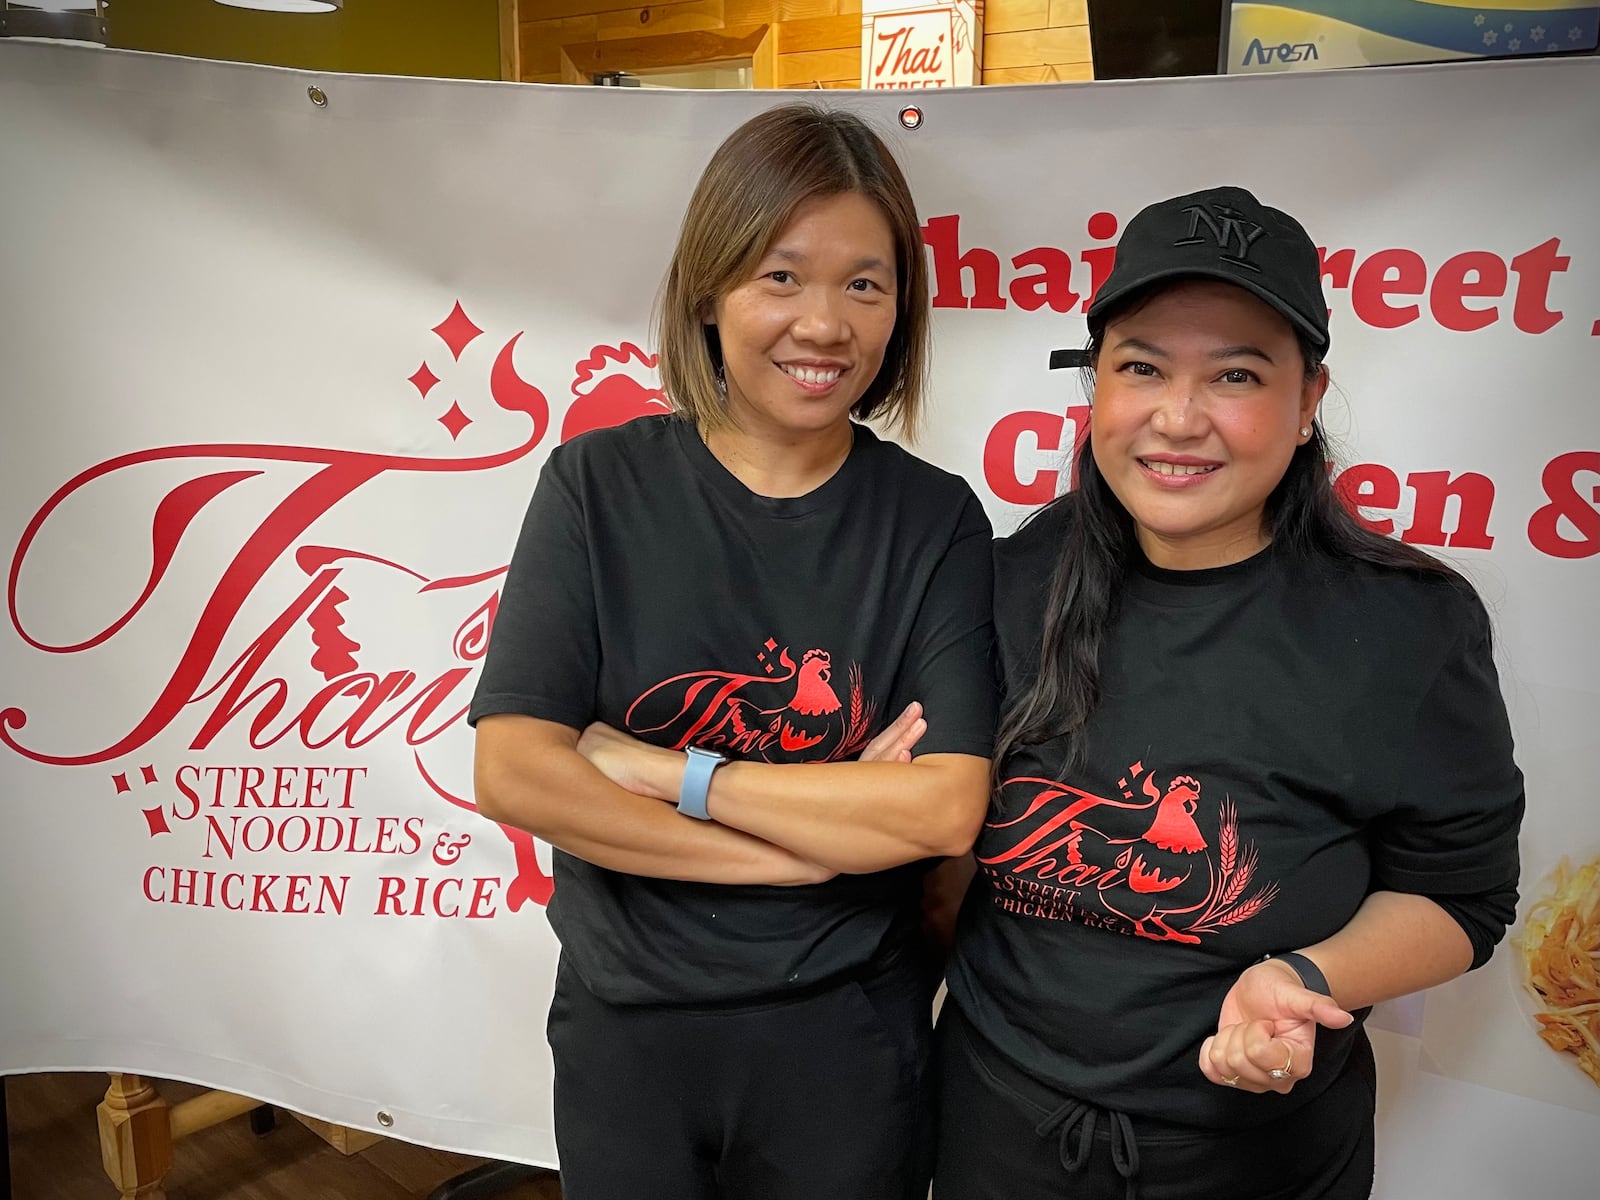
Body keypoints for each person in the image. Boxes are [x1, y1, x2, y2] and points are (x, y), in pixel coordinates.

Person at [935, 186, 1524, 1200]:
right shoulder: (1003, 578)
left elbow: (1460, 896)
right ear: (1094, 390)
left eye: (1236, 374)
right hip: (995, 1132)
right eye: (1141, 368)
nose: (1176, 417)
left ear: (1306, 402)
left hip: (1252, 1160)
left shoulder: (1404, 623)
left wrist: (1301, 979)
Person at [469, 103, 996, 1200]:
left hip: (846, 1036)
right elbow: (516, 768)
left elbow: (942, 810)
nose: (825, 323)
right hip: (628, 1036)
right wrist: (810, 846)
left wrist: (670, 774)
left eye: (865, 282)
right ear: (708, 290)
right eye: (781, 275)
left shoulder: (934, 520)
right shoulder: (596, 488)